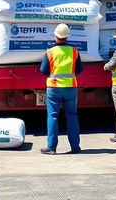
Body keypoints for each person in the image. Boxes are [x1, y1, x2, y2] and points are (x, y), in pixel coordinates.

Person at [38, 23, 83, 155]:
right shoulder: (74, 52)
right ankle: (75, 147)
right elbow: (79, 69)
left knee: (52, 116)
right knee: (72, 116)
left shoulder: (50, 52)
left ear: (56, 36)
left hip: (54, 87)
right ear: (67, 37)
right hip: (70, 87)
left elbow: (43, 70)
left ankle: (51, 147)